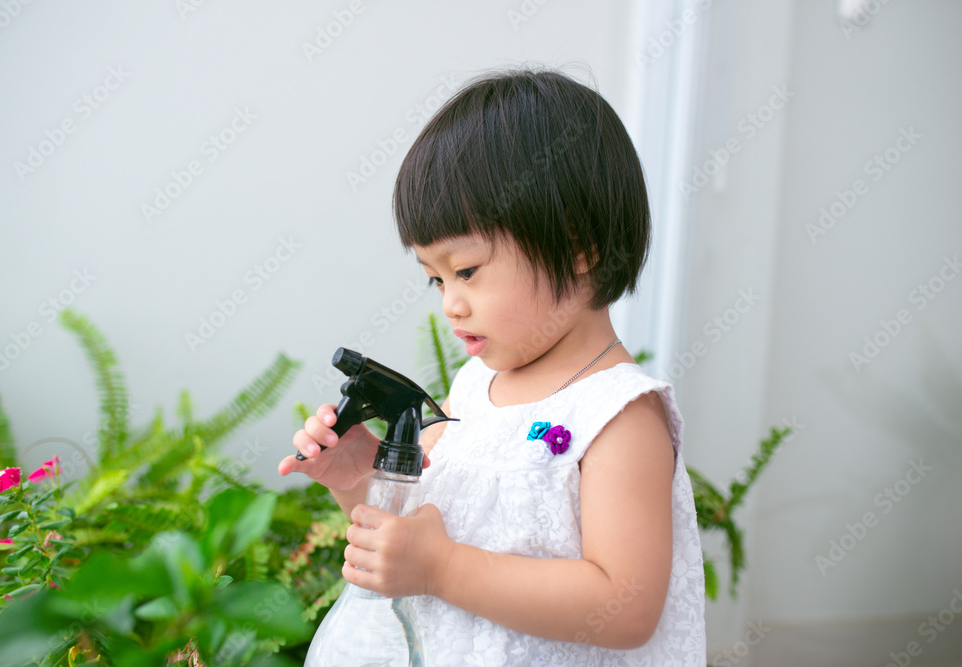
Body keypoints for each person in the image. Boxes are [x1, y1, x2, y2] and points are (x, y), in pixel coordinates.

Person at [278, 66, 706, 665]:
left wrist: (445, 569)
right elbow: (415, 528)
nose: (450, 303)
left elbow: (627, 605)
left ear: (577, 245)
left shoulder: (618, 416)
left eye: (468, 271)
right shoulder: (476, 387)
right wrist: (361, 479)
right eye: (435, 278)